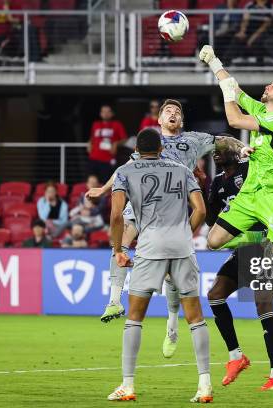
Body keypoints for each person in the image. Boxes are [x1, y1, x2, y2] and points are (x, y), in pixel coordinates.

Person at [86, 98, 245, 359]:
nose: (173, 113)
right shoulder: (150, 142)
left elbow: (223, 140)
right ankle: (114, 301)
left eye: (177, 111)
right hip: (144, 205)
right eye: (167, 111)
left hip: (174, 211)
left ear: (181, 121)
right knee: (121, 240)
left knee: (173, 276)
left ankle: (172, 323)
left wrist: (244, 148)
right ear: (159, 120)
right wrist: (104, 189)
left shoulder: (193, 140)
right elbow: (126, 169)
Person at [198, 44, 273, 389]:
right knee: (214, 240)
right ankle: (257, 239)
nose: (269, 85)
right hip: (251, 194)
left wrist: (225, 90)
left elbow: (234, 119)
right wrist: (215, 62)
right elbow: (235, 91)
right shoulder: (266, 111)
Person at [107, 128, 211, 403]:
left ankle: (128, 385)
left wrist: (119, 250)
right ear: (162, 148)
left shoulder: (124, 172)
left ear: (137, 151)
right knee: (196, 318)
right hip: (182, 246)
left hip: (150, 247)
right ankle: (205, 385)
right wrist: (185, 233)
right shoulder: (181, 169)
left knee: (134, 318)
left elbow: (117, 215)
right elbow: (201, 210)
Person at [206, 142, 273, 390]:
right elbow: (212, 220)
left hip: (266, 247)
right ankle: (236, 356)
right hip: (243, 249)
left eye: (222, 147)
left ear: (235, 152)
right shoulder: (217, 183)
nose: (216, 150)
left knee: (263, 305)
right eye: (215, 147)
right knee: (215, 295)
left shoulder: (251, 168)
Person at [222, 0, 273, 66]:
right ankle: (225, 63)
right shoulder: (250, 5)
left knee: (257, 42)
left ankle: (259, 66)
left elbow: (266, 25)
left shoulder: (271, 6)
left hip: (262, 32)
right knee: (237, 38)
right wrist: (242, 31)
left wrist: (253, 38)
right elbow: (245, 20)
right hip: (249, 30)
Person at [87, 105, 127, 183]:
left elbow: (124, 139)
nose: (105, 113)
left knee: (105, 183)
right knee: (91, 181)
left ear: (112, 114)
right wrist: (89, 143)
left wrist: (116, 143)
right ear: (100, 114)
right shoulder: (95, 124)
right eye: (103, 111)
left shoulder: (117, 124)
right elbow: (92, 137)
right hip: (93, 157)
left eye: (108, 111)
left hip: (107, 159)